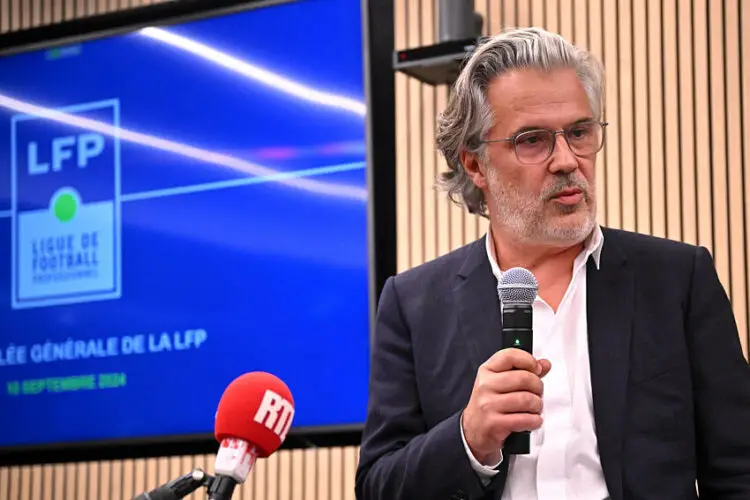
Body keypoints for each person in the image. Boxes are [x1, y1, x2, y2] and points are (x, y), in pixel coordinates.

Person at [355, 27, 750, 500]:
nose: (567, 160)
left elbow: (738, 470)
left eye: (580, 132)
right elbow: (377, 486)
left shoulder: (677, 280)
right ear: (476, 165)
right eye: (533, 140)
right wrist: (468, 438)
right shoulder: (414, 304)